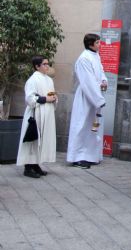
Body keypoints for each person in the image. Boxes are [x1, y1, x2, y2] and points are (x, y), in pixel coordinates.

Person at [67, 33, 107, 169]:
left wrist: (103, 81)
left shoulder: (96, 56)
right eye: (97, 43)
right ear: (90, 44)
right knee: (82, 125)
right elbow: (87, 81)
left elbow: (100, 72)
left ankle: (90, 155)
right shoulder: (83, 59)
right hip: (86, 96)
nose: (100, 45)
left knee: (93, 127)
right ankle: (77, 157)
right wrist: (99, 99)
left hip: (95, 96)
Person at [16, 56, 58, 178]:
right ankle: (28, 168)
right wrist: (45, 99)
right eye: (44, 64)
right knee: (33, 139)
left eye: (48, 64)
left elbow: (52, 93)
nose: (47, 66)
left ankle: (36, 164)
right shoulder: (32, 80)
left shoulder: (49, 80)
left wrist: (54, 98)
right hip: (36, 114)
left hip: (47, 113)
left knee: (42, 140)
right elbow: (30, 98)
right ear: (37, 66)